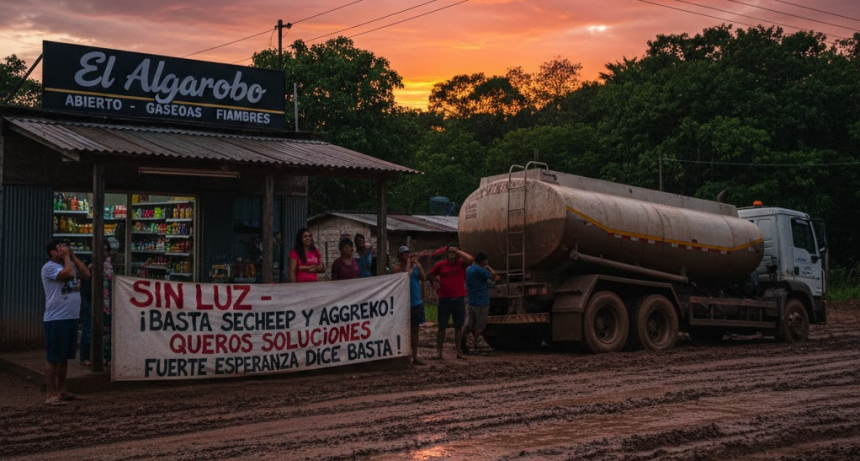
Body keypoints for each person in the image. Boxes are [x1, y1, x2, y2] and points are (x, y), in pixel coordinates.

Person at [42, 239, 91, 405]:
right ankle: (50, 394)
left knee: (64, 358)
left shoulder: (69, 262)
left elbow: (86, 274)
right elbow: (69, 274)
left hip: (71, 317)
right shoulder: (49, 267)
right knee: (53, 358)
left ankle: (62, 391)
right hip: (56, 319)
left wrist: (72, 255)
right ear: (53, 253)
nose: (65, 250)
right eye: (61, 248)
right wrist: (67, 258)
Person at [428, 245, 473, 360]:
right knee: (442, 326)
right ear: (446, 254)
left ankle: (458, 352)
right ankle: (439, 352)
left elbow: (470, 259)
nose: (453, 255)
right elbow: (430, 275)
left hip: (459, 299)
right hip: (445, 300)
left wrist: (457, 250)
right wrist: (437, 282)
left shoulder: (461, 264)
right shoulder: (440, 265)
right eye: (450, 253)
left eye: (455, 253)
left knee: (458, 326)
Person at [391, 246, 427, 366]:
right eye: (404, 254)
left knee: (415, 331)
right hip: (403, 304)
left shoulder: (414, 267)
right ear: (399, 256)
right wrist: (408, 263)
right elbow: (405, 275)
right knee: (402, 331)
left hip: (416, 302)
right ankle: (403, 356)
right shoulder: (396, 268)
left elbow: (423, 277)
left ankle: (415, 356)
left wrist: (418, 265)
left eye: (408, 253)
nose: (407, 256)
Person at [464, 252, 499, 355]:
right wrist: (488, 267)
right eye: (486, 260)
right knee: (479, 325)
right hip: (481, 301)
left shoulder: (468, 269)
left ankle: (463, 343)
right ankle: (475, 345)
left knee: (469, 323)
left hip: (471, 300)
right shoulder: (481, 270)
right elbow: (494, 276)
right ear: (483, 260)